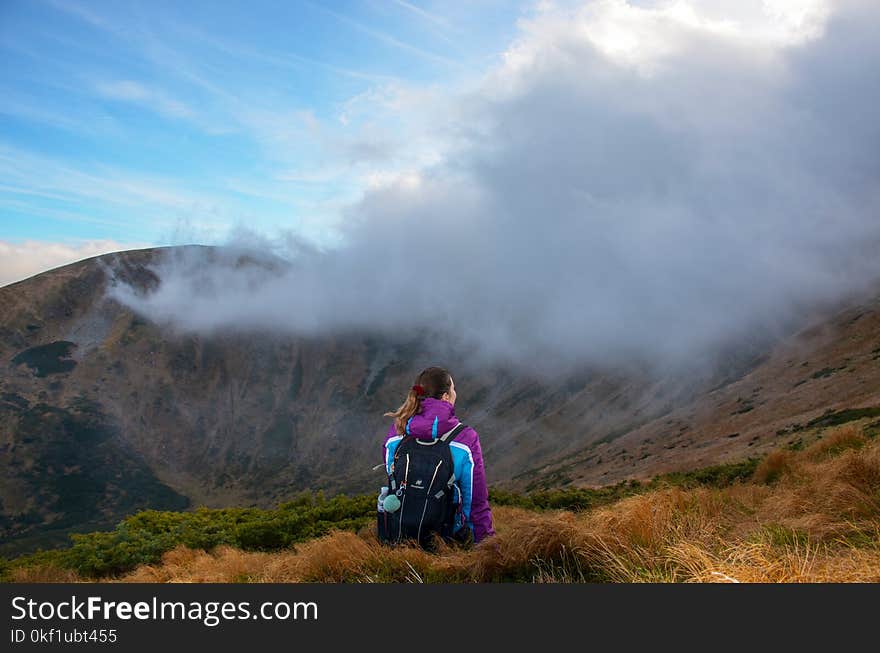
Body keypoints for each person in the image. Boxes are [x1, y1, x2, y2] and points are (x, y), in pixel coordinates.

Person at [382, 366, 496, 544]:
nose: (455, 393)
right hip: (446, 541)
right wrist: (487, 548)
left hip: (398, 536)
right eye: (453, 389)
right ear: (445, 397)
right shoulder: (465, 439)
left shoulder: (396, 432)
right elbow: (475, 502)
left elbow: (393, 476)